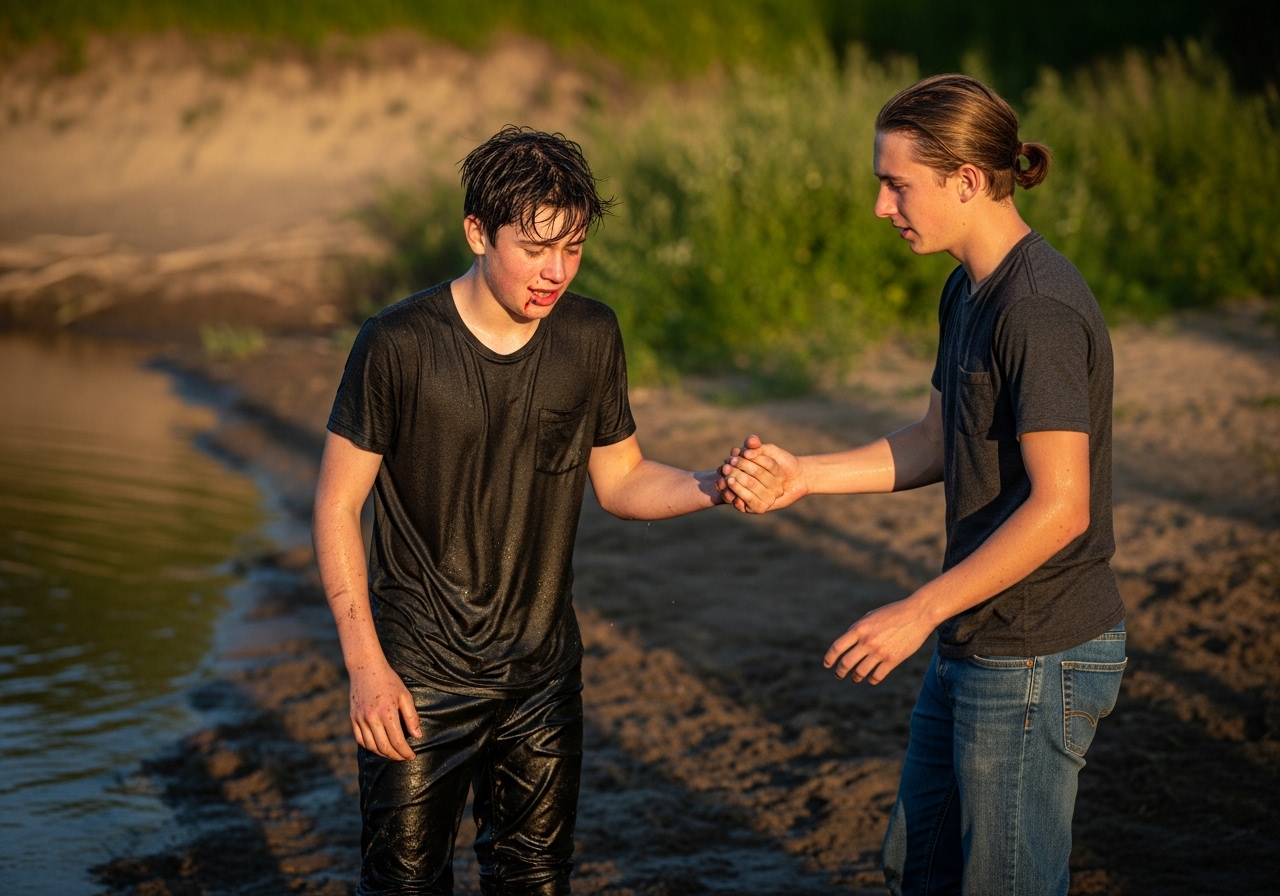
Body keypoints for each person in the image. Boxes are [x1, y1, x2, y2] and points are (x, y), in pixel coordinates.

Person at [312, 126, 778, 895]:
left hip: (543, 675)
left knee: (535, 879)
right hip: (420, 678)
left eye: (574, 249)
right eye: (535, 249)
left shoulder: (591, 335)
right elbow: (336, 505)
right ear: (476, 232)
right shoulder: (396, 343)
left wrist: (714, 483)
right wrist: (365, 667)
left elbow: (621, 479)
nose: (555, 272)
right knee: (403, 883)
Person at [724, 75, 1127, 895]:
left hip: (1034, 650)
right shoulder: (968, 289)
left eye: (897, 182)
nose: (881, 205)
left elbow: (1062, 508)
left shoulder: (1036, 309)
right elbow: (938, 439)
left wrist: (918, 608)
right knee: (924, 868)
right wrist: (806, 477)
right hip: (976, 636)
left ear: (968, 180)